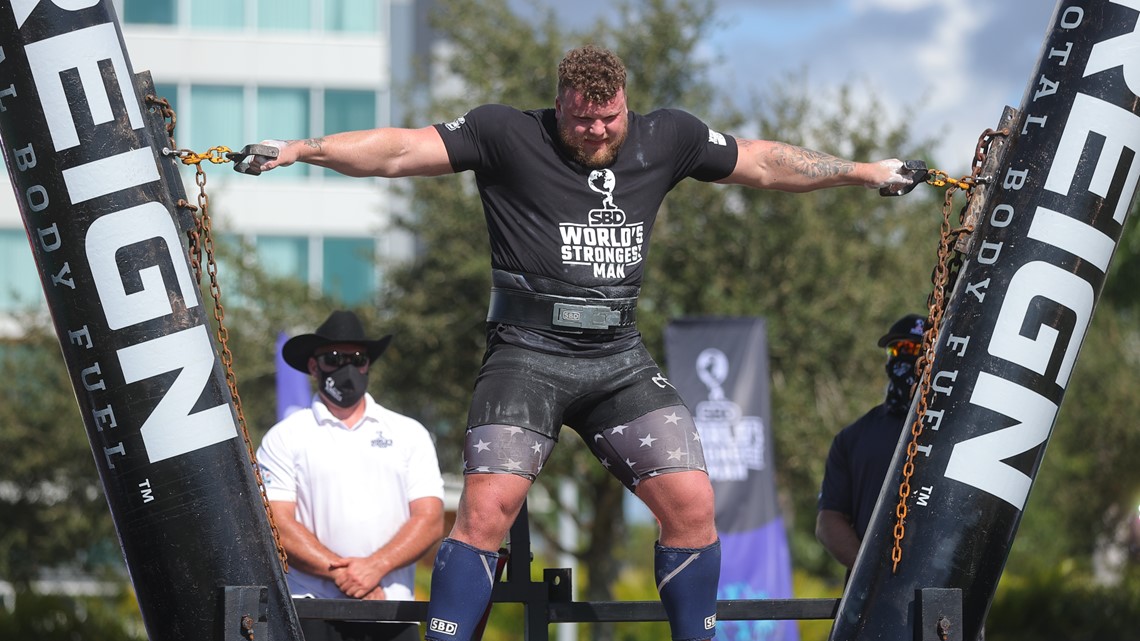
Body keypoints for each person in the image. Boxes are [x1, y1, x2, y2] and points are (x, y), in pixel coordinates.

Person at [238, 45, 922, 641]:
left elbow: (765, 162)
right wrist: (304, 150)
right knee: (485, 511)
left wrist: (864, 171)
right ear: (558, 105)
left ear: (627, 103)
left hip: (617, 356)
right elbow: (400, 149)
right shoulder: (505, 132)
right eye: (579, 118)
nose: (595, 129)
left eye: (608, 117)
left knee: (693, 504)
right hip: (525, 352)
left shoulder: (669, 136)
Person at [256, 310, 445, 641]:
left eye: (357, 358)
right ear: (313, 366)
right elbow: (277, 524)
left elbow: (429, 520)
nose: (347, 368)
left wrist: (374, 568)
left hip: (391, 612)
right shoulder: (284, 436)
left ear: (367, 365)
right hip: (311, 610)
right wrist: (349, 576)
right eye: (333, 358)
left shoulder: (409, 433)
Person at [816, 313, 926, 572]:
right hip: (873, 597)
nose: (904, 356)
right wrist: (869, 572)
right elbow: (828, 520)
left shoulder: (953, 427)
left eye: (914, 348)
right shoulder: (853, 437)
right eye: (896, 348)